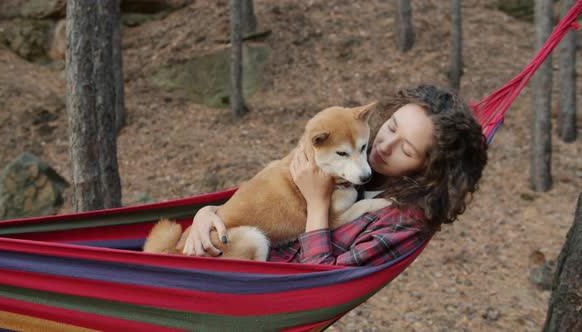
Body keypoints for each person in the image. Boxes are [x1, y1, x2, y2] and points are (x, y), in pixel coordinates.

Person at [181, 85, 488, 266]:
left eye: (405, 150)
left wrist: (317, 204)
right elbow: (259, 194)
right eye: (391, 126)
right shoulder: (355, 154)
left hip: (271, 288)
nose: (383, 145)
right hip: (221, 254)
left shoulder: (403, 223)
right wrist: (207, 214)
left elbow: (321, 282)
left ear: (427, 168)